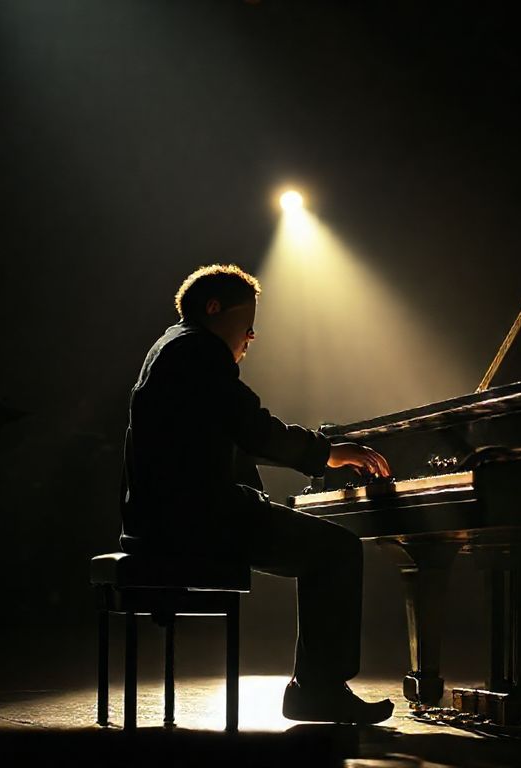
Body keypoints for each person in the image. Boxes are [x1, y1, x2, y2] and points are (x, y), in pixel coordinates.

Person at [120, 263, 394, 724]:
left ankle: (315, 687)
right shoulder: (198, 352)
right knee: (337, 549)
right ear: (214, 308)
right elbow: (255, 430)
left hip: (159, 519)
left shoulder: (169, 348)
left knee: (320, 544)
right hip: (192, 521)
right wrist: (328, 453)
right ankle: (317, 690)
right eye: (247, 323)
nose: (252, 335)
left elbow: (231, 434)